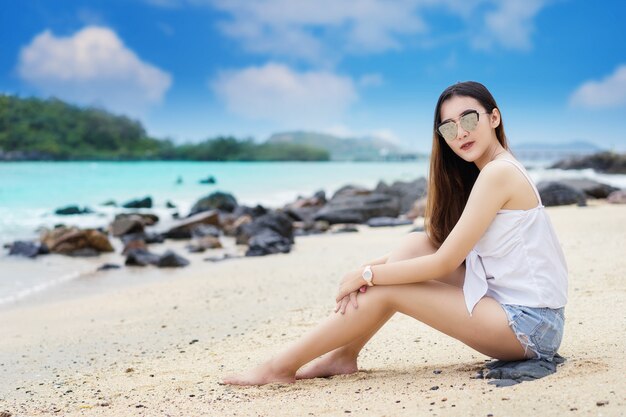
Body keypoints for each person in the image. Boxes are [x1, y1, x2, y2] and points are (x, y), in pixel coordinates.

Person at [223, 81, 568, 386]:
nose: (460, 132)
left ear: (494, 118)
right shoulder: (491, 172)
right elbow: (439, 250)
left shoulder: (498, 174)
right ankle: (344, 356)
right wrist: (375, 267)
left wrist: (368, 274)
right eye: (448, 127)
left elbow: (444, 262)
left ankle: (278, 367)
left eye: (469, 119)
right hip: (519, 310)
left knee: (387, 291)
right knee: (414, 243)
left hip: (530, 327)